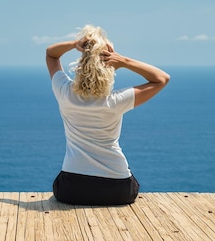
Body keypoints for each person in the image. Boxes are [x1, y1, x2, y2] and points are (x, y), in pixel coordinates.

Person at [46, 25, 170, 206]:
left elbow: (51, 54)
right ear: (110, 68)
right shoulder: (116, 100)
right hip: (117, 189)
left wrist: (76, 44)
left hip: (71, 189)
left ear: (81, 65)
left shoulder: (65, 93)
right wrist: (124, 61)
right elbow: (161, 78)